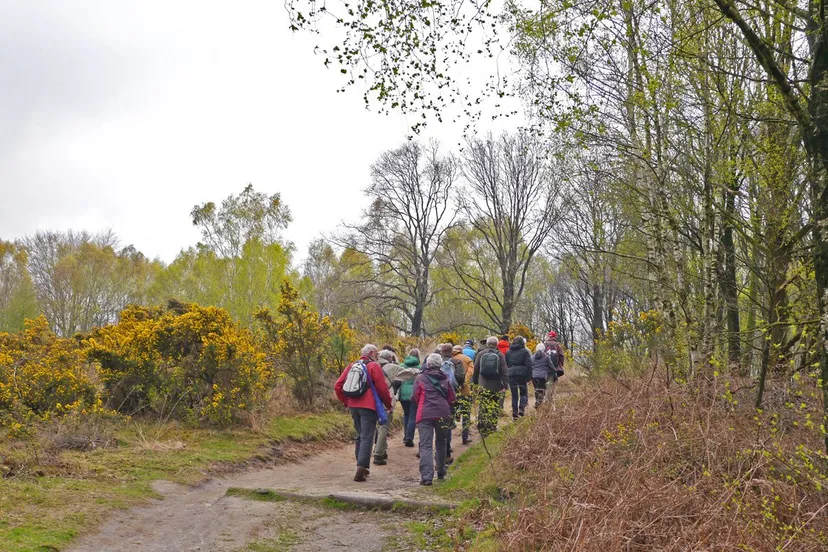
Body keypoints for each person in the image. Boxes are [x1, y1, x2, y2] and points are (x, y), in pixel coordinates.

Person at [334, 344, 393, 482]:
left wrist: (346, 402)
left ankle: (361, 465)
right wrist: (388, 404)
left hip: (353, 406)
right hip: (368, 406)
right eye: (377, 354)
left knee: (360, 435)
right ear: (371, 353)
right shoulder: (374, 366)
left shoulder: (352, 365)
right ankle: (361, 468)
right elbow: (382, 387)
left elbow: (338, 385)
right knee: (367, 436)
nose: (378, 356)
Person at [412, 353, 456, 485]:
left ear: (428, 364)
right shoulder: (446, 378)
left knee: (425, 445)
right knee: (441, 443)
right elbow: (451, 398)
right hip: (443, 413)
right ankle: (441, 472)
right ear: (440, 364)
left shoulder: (420, 377)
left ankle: (426, 477)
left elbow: (414, 397)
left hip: (424, 413)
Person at [472, 336, 508, 436]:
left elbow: (476, 370)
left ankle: (482, 427)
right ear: (497, 344)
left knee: (483, 406)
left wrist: (475, 383)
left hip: (483, 384)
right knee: (494, 407)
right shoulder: (500, 355)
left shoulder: (480, 354)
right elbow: (504, 371)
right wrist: (505, 384)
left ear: (487, 344)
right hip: (496, 385)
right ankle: (491, 427)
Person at [374, 349, 402, 465]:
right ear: (389, 358)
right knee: (384, 426)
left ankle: (381, 448)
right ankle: (379, 454)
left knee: (376, 425)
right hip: (386, 398)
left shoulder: (372, 365)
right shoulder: (391, 367)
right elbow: (402, 378)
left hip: (372, 399)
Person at [439, 343, 463, 463]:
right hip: (451, 396)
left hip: (437, 397)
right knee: (448, 423)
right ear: (451, 351)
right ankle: (447, 452)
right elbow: (460, 377)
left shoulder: (436, 362)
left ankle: (438, 450)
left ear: (441, 351)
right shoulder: (456, 362)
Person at [395, 349, 422, 447]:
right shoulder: (420, 367)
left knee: (406, 414)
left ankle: (406, 435)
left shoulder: (401, 366)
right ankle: (409, 438)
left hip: (403, 394)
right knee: (413, 416)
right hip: (414, 395)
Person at [452, 344, 475, 445]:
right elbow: (470, 373)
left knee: (450, 412)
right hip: (464, 390)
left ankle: (448, 443)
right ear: (461, 351)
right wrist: (464, 383)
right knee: (466, 413)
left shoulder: (449, 359)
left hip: (452, 390)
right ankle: (465, 437)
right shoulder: (467, 359)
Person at [505, 336, 532, 419]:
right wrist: (529, 377)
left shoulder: (508, 352)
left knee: (514, 394)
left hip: (511, 373)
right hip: (522, 373)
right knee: (523, 392)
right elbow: (529, 365)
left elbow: (506, 364)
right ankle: (521, 408)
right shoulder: (525, 352)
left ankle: (514, 412)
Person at [531, 343, 556, 408]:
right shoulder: (546, 357)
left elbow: (530, 366)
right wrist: (554, 372)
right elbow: (551, 366)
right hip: (543, 376)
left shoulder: (532, 357)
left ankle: (537, 401)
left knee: (536, 390)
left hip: (534, 376)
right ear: (544, 349)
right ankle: (539, 403)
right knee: (542, 390)